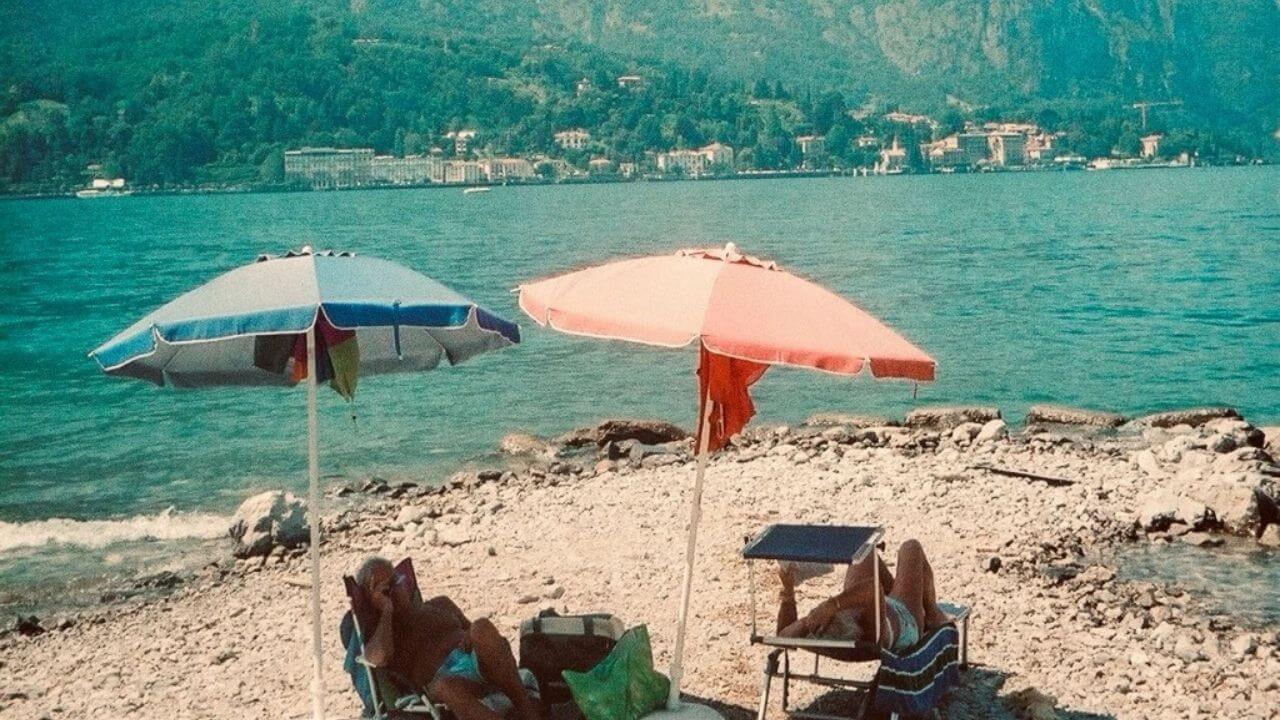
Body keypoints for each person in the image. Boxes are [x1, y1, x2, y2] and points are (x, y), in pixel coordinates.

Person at [354, 556, 542, 720]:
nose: (395, 590)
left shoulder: (440, 604)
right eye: (386, 590)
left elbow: (477, 633)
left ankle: (528, 712)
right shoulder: (386, 633)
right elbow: (377, 657)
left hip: (478, 663)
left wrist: (470, 634)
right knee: (445, 687)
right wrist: (386, 610)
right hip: (445, 682)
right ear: (373, 600)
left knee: (481, 627)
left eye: (396, 580)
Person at [776, 539, 949, 653]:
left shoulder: (811, 625)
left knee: (863, 551)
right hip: (904, 617)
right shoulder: (869, 628)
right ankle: (933, 615)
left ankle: (900, 586)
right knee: (910, 548)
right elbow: (873, 590)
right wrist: (832, 605)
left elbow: (783, 637)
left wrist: (789, 591)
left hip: (878, 603)